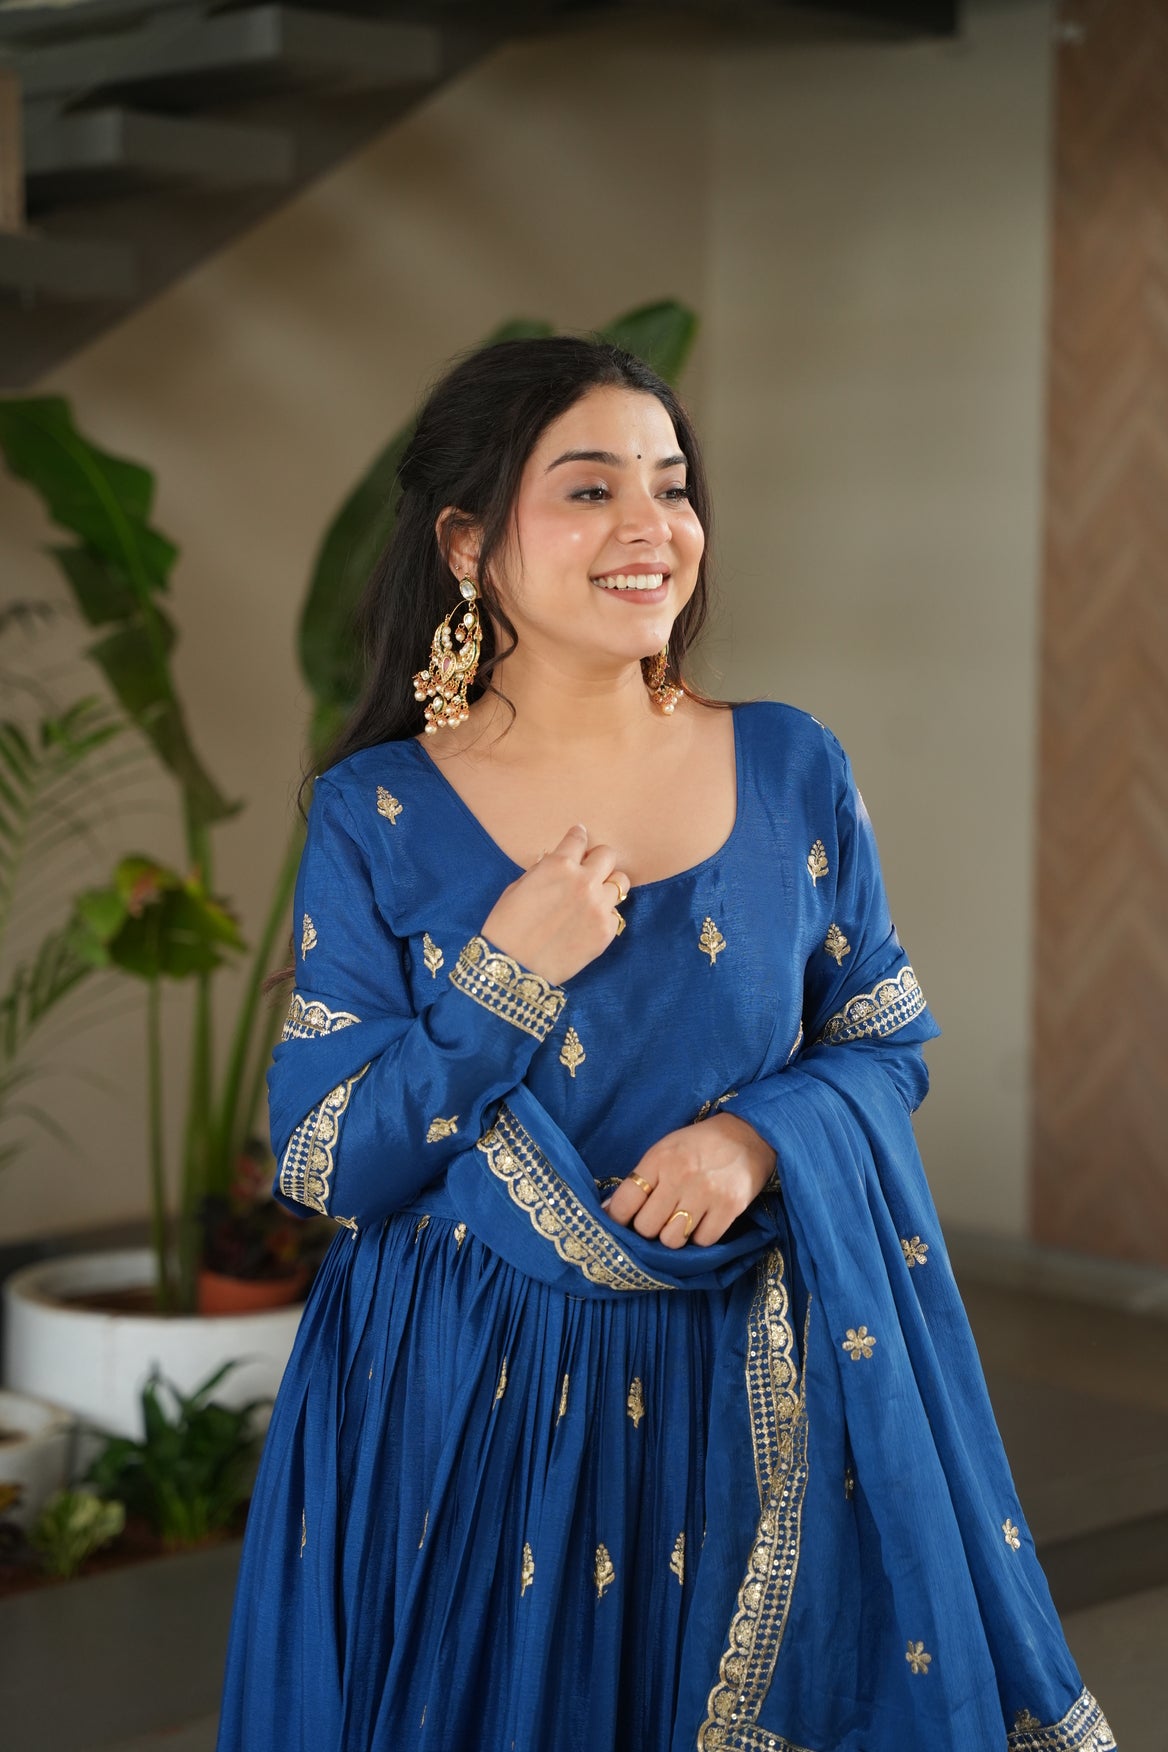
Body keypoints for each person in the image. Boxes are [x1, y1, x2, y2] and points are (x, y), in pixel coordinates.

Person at [215, 337, 1114, 1752]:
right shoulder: (376, 813)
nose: (652, 528)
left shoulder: (792, 765)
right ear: (469, 543)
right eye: (589, 491)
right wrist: (505, 976)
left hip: (740, 1376)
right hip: (463, 1401)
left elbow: (883, 1043)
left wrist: (757, 1135)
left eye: (673, 487)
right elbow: (327, 1161)